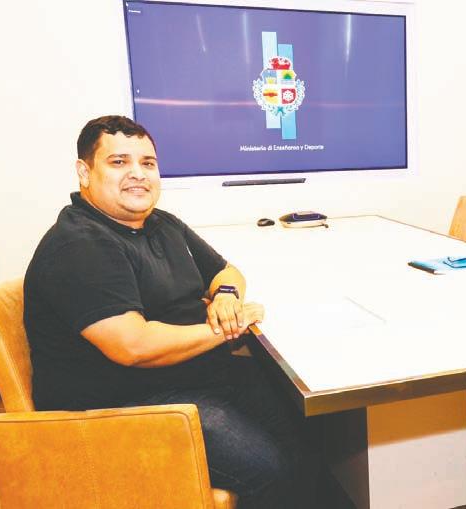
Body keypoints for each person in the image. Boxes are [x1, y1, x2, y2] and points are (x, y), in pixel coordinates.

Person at [24, 115, 312, 508]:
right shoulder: (80, 244)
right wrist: (228, 327)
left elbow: (226, 271)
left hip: (192, 379)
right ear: (84, 172)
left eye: (147, 163)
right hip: (124, 408)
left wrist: (226, 298)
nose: (137, 174)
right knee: (267, 467)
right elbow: (134, 346)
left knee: (304, 421)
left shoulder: (160, 224)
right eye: (119, 162)